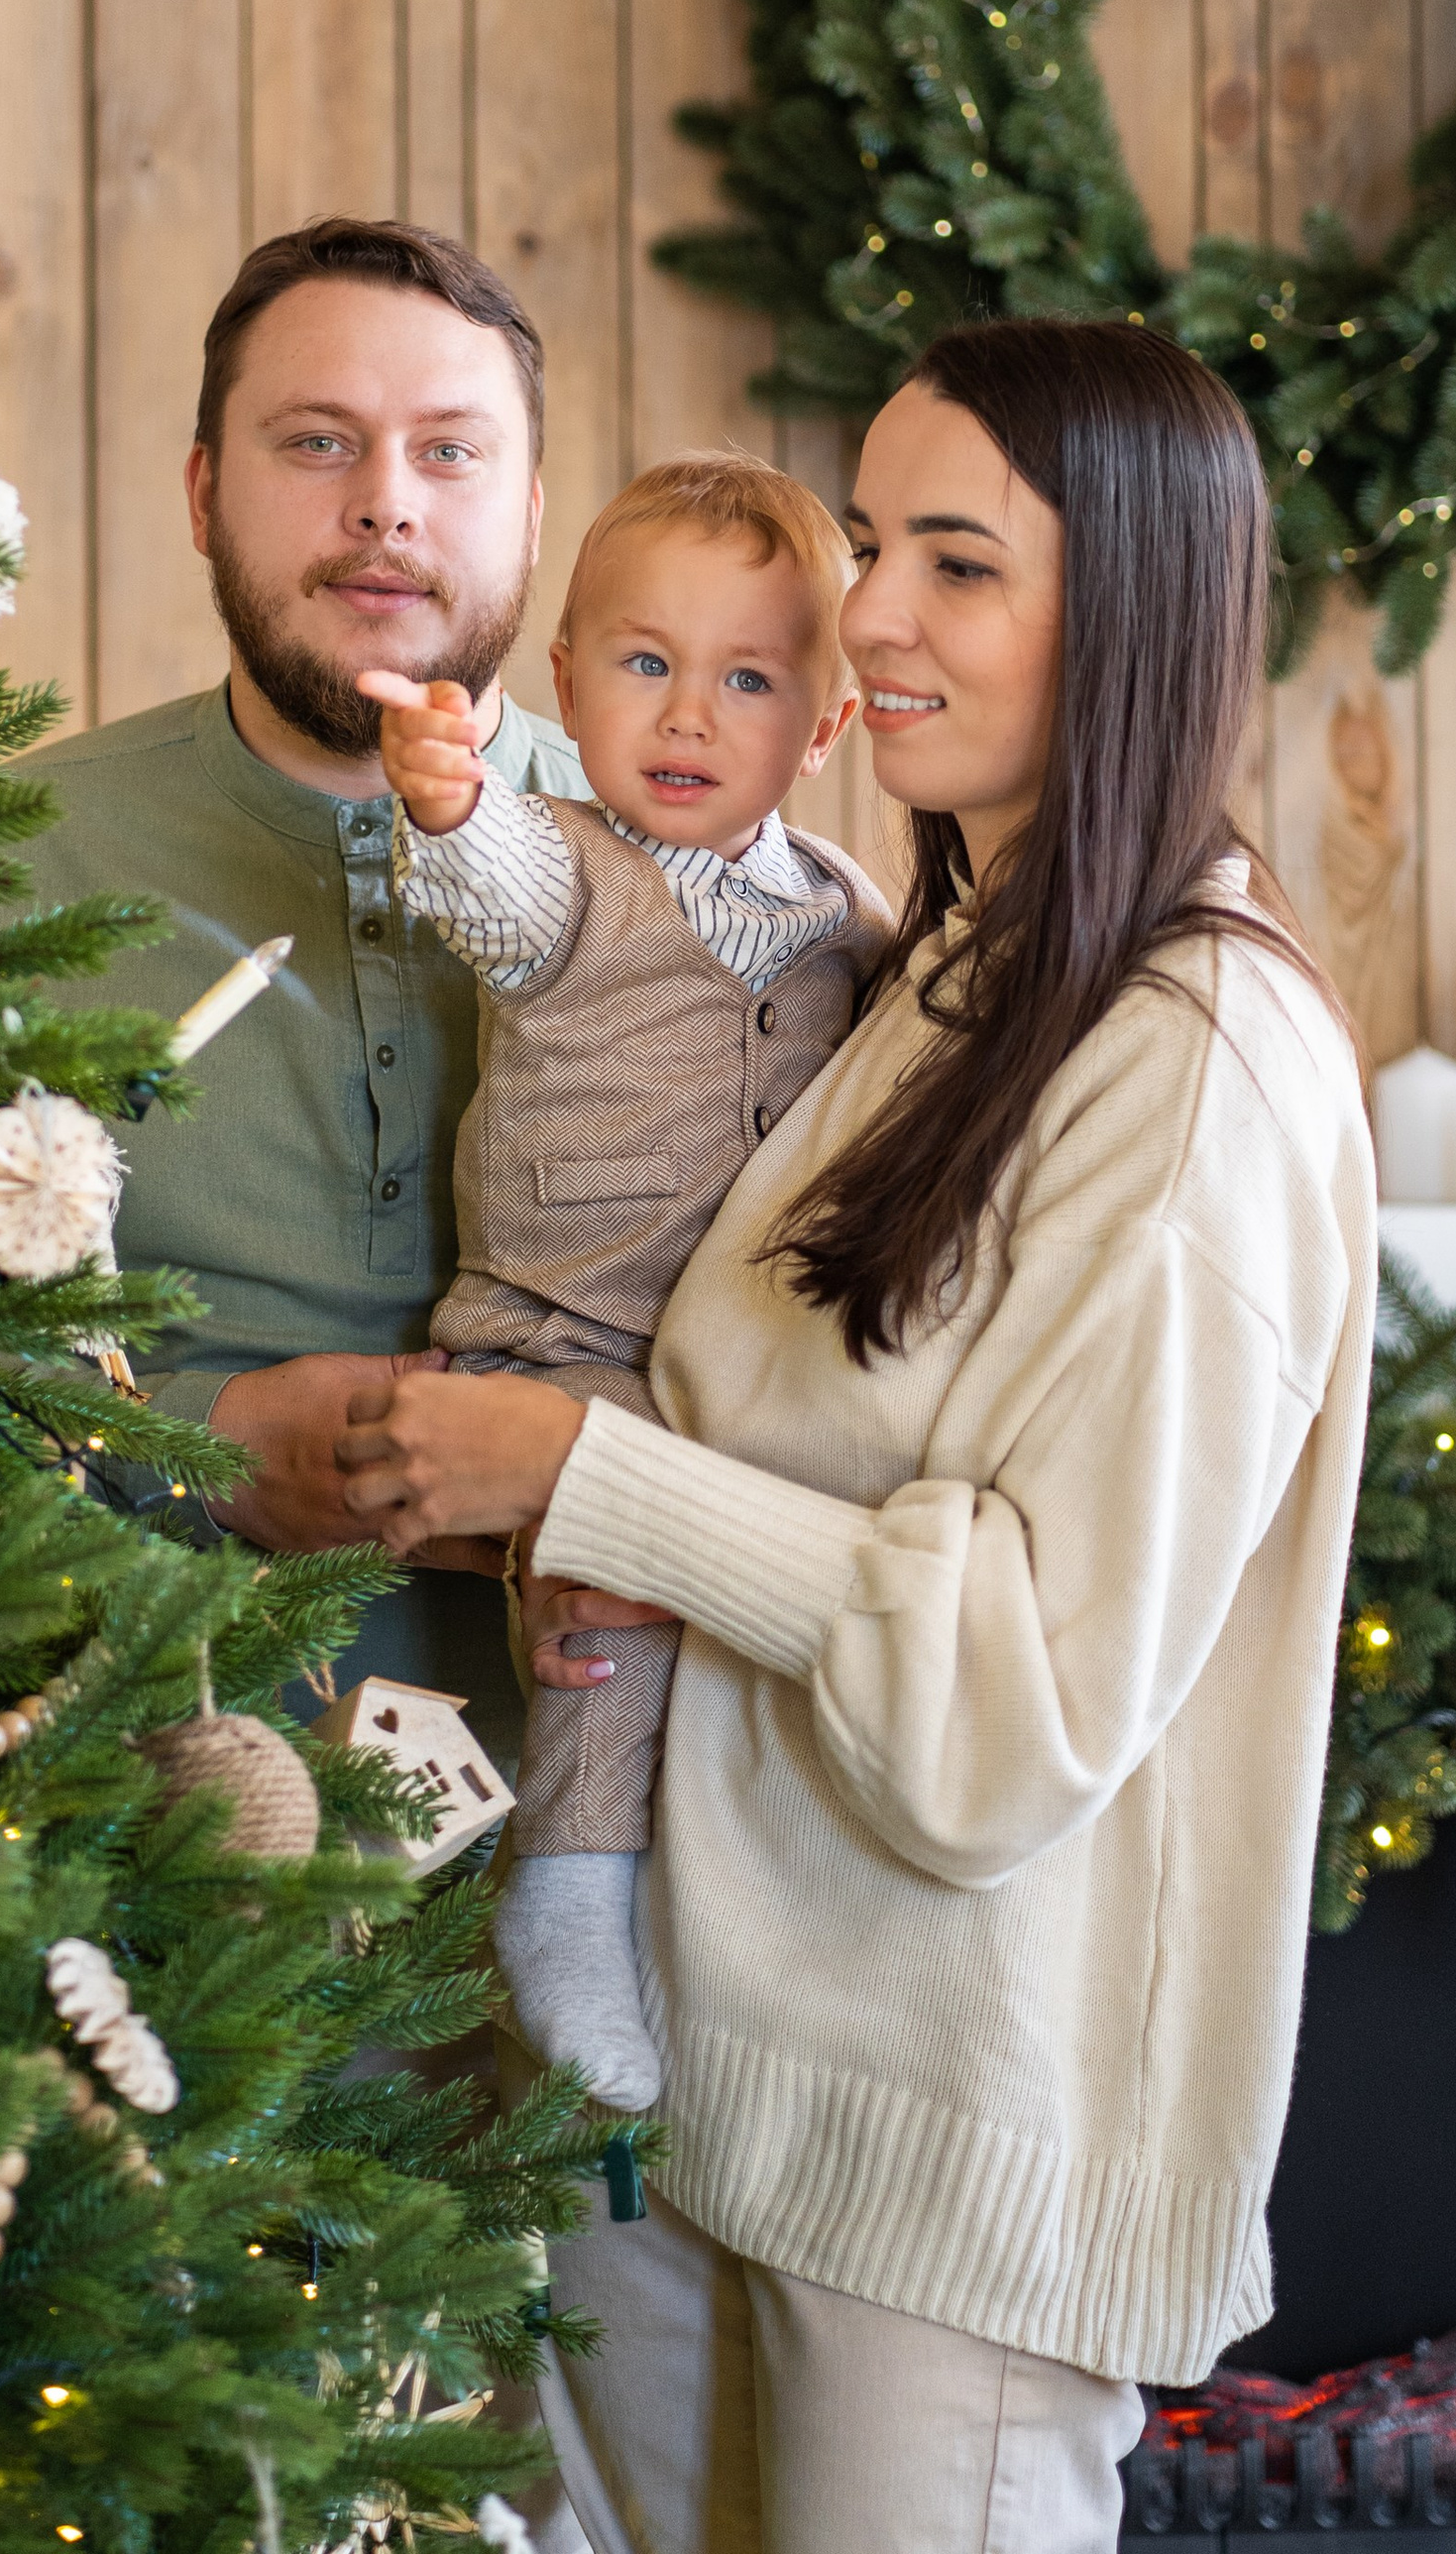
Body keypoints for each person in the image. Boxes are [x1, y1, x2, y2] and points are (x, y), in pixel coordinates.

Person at [332, 319, 1379, 2554]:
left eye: (958, 564)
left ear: (1135, 617)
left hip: (941, 2166)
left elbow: (1014, 1699)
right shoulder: (932, 967)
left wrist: (579, 1477)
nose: (866, 616)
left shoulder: (1193, 1066)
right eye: (872, 538)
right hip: (723, 2086)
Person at [359, 453, 887, 2114]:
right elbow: (486, 884)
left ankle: (739, 1899)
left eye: (747, 678)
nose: (686, 714)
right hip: (562, 1338)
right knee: (601, 1606)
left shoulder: (852, 918)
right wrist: (445, 796)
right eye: (645, 663)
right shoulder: (565, 869)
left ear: (824, 728)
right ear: (567, 683)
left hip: (749, 1364)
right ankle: (567, 1880)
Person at [33, 216, 586, 1751]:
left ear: (533, 515)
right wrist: (188, 1445)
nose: (385, 504)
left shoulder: (701, 893)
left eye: (451, 454)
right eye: (319, 441)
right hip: (120, 1857)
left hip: (620, 1876)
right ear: (205, 493)